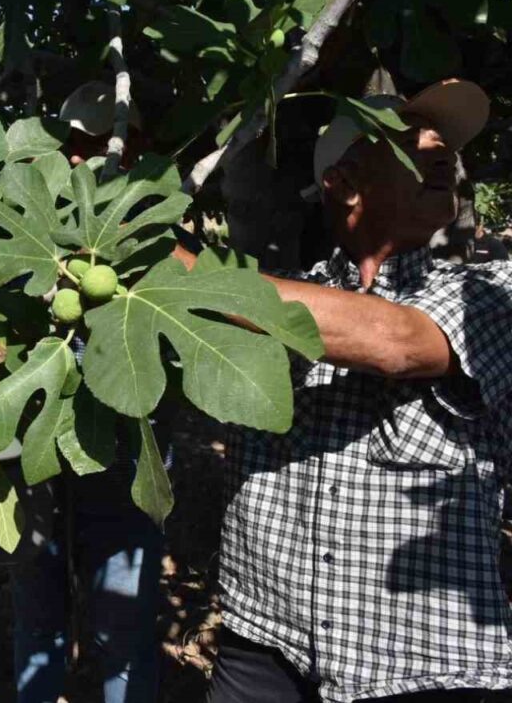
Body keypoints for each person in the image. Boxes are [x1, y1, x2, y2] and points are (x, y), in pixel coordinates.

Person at [200, 79, 512, 702]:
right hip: (263, 634)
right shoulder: (279, 294)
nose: (439, 148)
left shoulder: (492, 292)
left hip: (420, 661)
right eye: (406, 138)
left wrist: (181, 278)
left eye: (445, 142)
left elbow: (394, 342)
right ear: (342, 182)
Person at [8, 81, 167, 703]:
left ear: (130, 149)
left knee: (121, 611)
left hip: (122, 443)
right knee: (35, 597)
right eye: (70, 146)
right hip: (37, 440)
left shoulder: (160, 235)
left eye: (95, 145)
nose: (77, 160)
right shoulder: (35, 226)